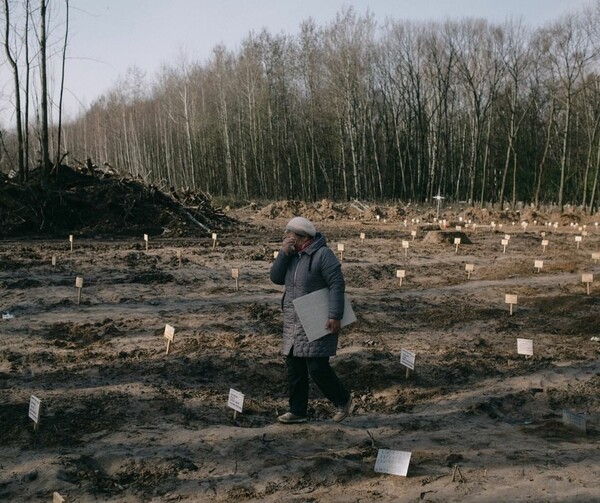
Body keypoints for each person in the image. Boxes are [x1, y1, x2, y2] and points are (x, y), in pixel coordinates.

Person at [270, 216, 352, 423]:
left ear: (304, 238)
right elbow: (276, 278)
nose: (288, 239)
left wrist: (335, 315)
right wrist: (282, 254)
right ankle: (297, 411)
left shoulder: (323, 255)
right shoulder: (292, 256)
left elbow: (337, 285)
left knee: (317, 366)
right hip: (294, 321)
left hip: (318, 318)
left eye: (292, 236)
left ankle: (344, 400)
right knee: (294, 366)